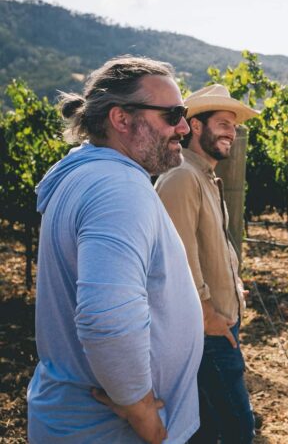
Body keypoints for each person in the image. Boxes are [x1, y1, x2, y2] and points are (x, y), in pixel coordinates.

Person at [27, 56, 204, 443]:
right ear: (121, 119)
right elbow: (106, 319)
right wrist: (143, 413)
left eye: (184, 113)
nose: (184, 127)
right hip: (110, 432)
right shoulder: (117, 189)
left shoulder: (91, 173)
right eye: (172, 114)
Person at [155, 84, 259, 443]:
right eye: (222, 123)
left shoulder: (205, 177)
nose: (231, 131)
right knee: (237, 429)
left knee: (208, 429)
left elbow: (207, 247)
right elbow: (178, 258)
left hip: (217, 324)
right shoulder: (183, 177)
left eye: (233, 125)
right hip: (205, 333)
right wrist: (207, 313)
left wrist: (232, 286)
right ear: (195, 127)